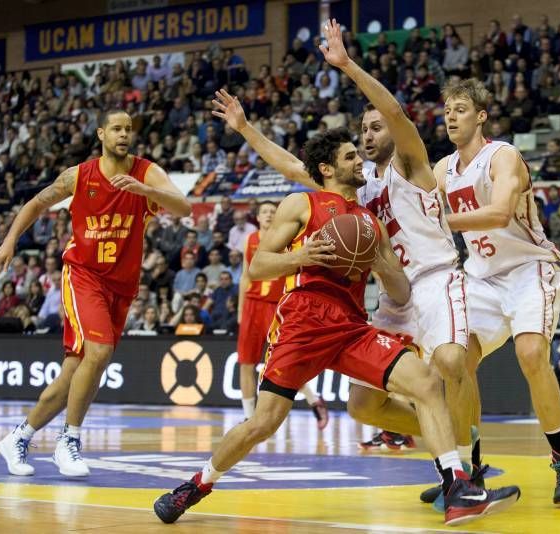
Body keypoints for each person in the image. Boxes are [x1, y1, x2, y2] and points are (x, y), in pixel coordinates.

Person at [155, 127, 520, 526]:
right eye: (349, 157)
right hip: (304, 320)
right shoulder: (302, 203)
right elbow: (259, 265)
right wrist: (302, 256)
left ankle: (456, 488)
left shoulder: (370, 221)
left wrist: (383, 265)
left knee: (426, 383)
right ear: (327, 168)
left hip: (350, 325)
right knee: (263, 423)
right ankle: (197, 484)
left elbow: (398, 292)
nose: (358, 161)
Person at [211, 19, 472, 471]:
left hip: (431, 282)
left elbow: (396, 114)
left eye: (374, 127)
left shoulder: (410, 164)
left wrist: (347, 64)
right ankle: (456, 443)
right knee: (364, 409)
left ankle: (467, 463)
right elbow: (297, 168)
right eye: (362, 131)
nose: (368, 135)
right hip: (392, 296)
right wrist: (245, 129)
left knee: (447, 363)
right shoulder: (359, 187)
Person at [0, 110, 191, 478]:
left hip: (122, 285)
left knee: (76, 370)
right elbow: (36, 203)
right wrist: (9, 243)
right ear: (101, 133)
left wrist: (149, 192)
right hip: (83, 275)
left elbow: (185, 207)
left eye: (128, 129)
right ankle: (68, 441)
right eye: (116, 128)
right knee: (98, 352)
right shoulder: (79, 175)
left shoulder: (146, 172)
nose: (123, 134)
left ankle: (19, 437)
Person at [435, 78, 560, 504]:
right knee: (455, 361)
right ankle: (468, 472)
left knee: (532, 354)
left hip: (528, 268)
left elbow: (499, 213)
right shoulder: (443, 169)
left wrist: (440, 222)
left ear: (481, 116)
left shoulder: (503, 156)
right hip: (481, 276)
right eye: (447, 110)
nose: (451, 116)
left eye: (460, 109)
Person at [236, 200, 328, 428]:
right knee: (246, 363)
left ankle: (313, 398)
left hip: (277, 305)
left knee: (283, 361)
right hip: (252, 304)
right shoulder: (250, 239)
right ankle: (248, 416)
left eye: (272, 212)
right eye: (264, 212)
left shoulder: (287, 237)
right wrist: (240, 310)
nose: (268, 215)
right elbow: (245, 277)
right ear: (257, 217)